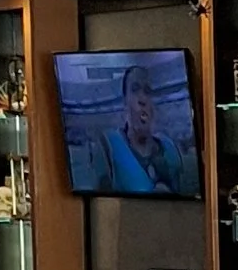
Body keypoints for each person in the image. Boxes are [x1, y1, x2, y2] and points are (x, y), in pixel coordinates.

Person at [78, 61, 197, 198]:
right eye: (135, 89)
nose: (142, 99)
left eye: (147, 91)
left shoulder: (169, 148)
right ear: (125, 102)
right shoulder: (108, 145)